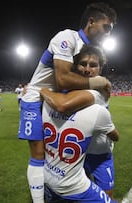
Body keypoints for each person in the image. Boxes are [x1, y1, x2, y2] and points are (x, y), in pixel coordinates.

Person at [17, 2, 117, 202]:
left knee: (59, 157)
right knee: (38, 155)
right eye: (106, 28)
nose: (108, 34)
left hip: (54, 98)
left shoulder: (88, 49)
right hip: (36, 97)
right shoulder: (67, 37)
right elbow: (62, 79)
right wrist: (97, 82)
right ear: (91, 22)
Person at [40, 45, 117, 199]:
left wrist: (40, 90)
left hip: (101, 155)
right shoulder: (94, 86)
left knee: (106, 194)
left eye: (93, 65)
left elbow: (62, 103)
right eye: (83, 64)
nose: (87, 69)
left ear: (100, 69)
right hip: (81, 153)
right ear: (76, 66)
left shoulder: (98, 91)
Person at [41, 88, 119, 202]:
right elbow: (116, 137)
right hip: (83, 158)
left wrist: (42, 90)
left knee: (105, 192)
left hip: (55, 168)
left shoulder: (48, 104)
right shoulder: (97, 110)